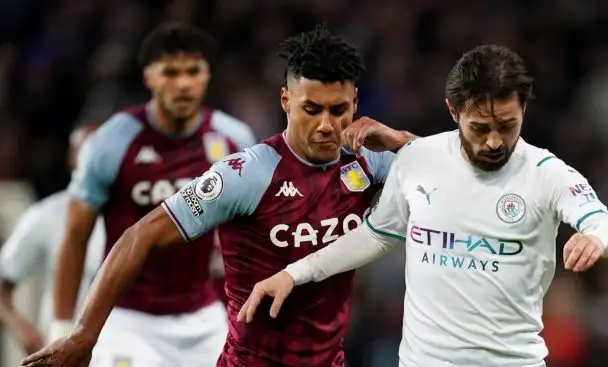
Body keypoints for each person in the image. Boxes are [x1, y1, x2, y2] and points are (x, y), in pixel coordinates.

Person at [21, 24, 415, 367]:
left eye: (338, 109)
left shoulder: (369, 160)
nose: (327, 125)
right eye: (311, 109)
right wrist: (83, 335)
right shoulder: (246, 174)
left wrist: (403, 142)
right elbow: (139, 235)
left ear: (356, 103)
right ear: (286, 101)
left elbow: (453, 175)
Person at [239, 45, 608, 367]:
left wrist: (595, 237)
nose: (494, 141)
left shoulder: (547, 173)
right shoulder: (417, 158)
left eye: (507, 125)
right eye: (480, 128)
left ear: (524, 109)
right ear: (452, 110)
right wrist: (294, 273)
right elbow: (375, 235)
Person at [45, 23, 256, 367]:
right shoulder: (112, 141)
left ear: (207, 75)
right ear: (149, 78)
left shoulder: (234, 139)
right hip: (127, 320)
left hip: (203, 320)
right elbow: (75, 235)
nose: (183, 83)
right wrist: (61, 327)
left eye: (193, 71)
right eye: (171, 72)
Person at [0, 125, 105, 356]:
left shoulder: (135, 216)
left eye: (100, 152)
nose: (92, 162)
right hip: (62, 349)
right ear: (71, 157)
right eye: (84, 152)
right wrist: (22, 329)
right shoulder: (48, 214)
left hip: (121, 348)